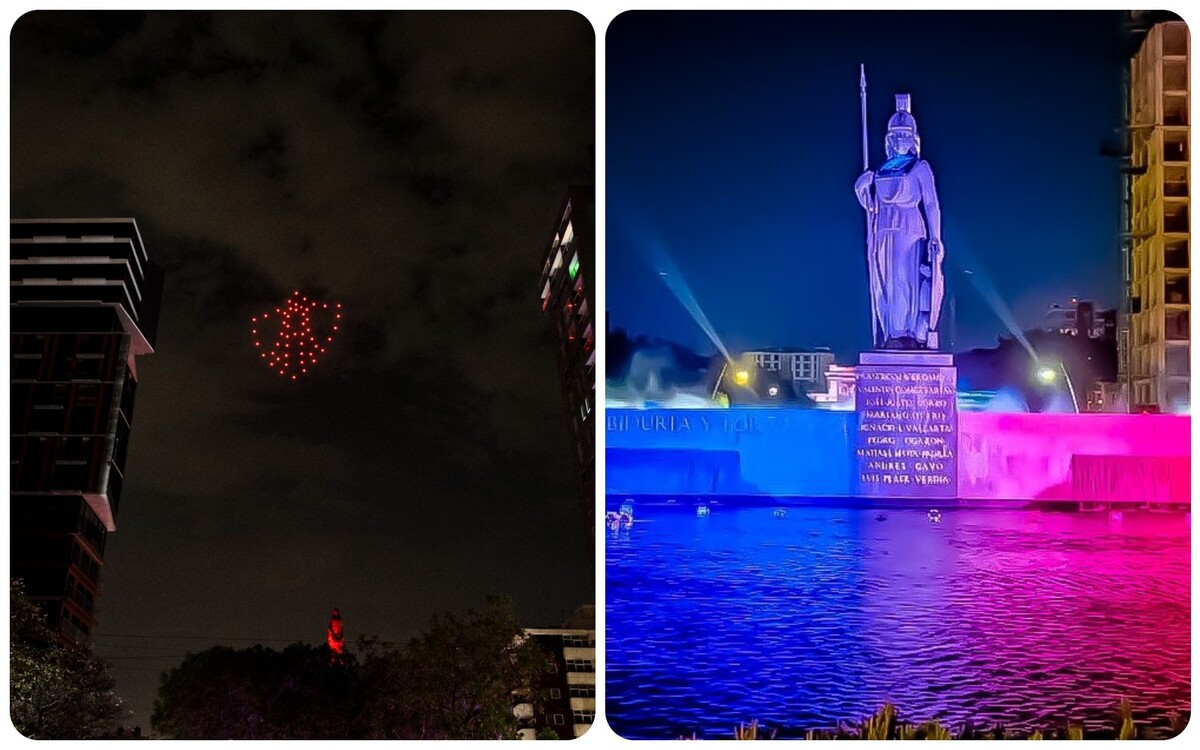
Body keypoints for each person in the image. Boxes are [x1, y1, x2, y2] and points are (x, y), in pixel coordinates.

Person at [854, 94, 946, 350]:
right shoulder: (880, 170)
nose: (900, 140)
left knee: (904, 279)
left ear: (913, 138)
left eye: (905, 135)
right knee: (885, 282)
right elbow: (872, 207)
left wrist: (936, 237)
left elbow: (931, 203)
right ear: (889, 139)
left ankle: (907, 331)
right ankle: (891, 331)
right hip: (883, 229)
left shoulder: (920, 167)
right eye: (896, 135)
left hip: (909, 228)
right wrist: (861, 188)